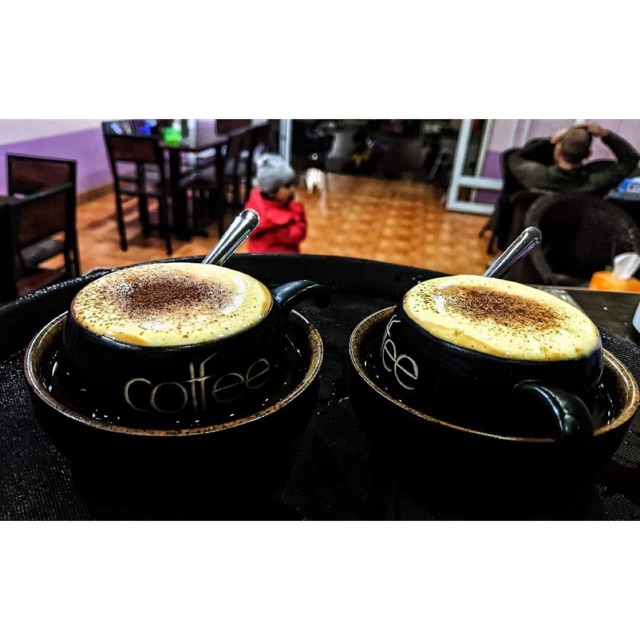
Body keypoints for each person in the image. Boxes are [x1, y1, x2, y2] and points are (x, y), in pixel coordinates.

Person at [483, 121, 640, 253]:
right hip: (568, 252)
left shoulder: (533, 175)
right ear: (588, 154)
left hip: (524, 246)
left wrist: (550, 141)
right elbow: (630, 160)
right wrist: (605, 134)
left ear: (558, 151)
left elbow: (512, 156)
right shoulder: (595, 183)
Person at [244, 153, 308, 254]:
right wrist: (297, 208)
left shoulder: (256, 199)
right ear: (272, 191)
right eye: (287, 186)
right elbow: (298, 234)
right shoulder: (278, 221)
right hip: (281, 260)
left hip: (257, 256)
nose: (292, 189)